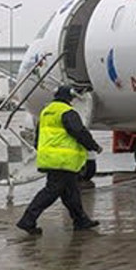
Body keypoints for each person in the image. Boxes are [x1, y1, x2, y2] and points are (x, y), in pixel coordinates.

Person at [16, 86, 101, 235]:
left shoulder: (46, 112)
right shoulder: (67, 112)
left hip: (50, 158)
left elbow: (38, 137)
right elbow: (79, 132)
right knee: (51, 192)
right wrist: (93, 146)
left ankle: (81, 220)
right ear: (69, 98)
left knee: (71, 193)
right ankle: (27, 220)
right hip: (63, 160)